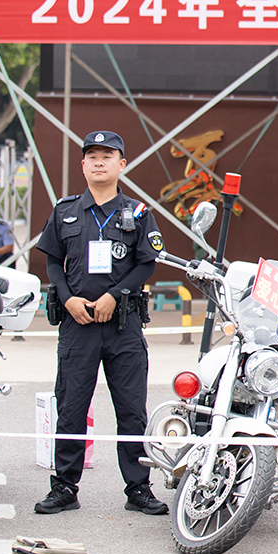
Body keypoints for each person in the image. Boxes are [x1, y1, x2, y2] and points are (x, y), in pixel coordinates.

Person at [34, 131, 167, 516]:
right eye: (91, 155)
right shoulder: (65, 211)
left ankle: (138, 488)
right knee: (71, 406)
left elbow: (146, 263)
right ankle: (64, 487)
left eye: (107, 155)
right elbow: (54, 261)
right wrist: (67, 296)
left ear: (121, 164)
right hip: (77, 324)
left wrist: (113, 296)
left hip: (122, 325)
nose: (98, 161)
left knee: (131, 409)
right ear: (83, 164)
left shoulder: (139, 213)